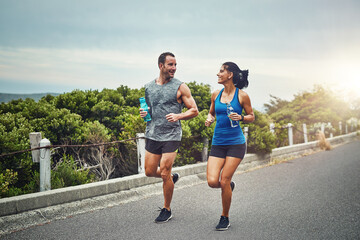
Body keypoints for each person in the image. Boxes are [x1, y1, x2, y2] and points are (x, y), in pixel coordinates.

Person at [140, 52, 199, 223]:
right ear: (161, 66)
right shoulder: (149, 87)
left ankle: (167, 208)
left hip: (171, 135)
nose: (174, 68)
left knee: (165, 171)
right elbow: (150, 111)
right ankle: (172, 178)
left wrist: (178, 116)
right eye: (170, 65)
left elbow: (194, 110)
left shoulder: (181, 87)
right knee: (150, 171)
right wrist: (144, 113)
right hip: (153, 133)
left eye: (175, 65)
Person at [205, 62, 255, 230]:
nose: (218, 74)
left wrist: (241, 118)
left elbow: (251, 116)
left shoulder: (242, 96)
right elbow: (211, 112)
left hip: (236, 144)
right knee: (213, 181)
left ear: (230, 75)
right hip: (218, 143)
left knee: (224, 179)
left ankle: (224, 217)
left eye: (221, 71)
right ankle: (228, 187)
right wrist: (210, 118)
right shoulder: (215, 94)